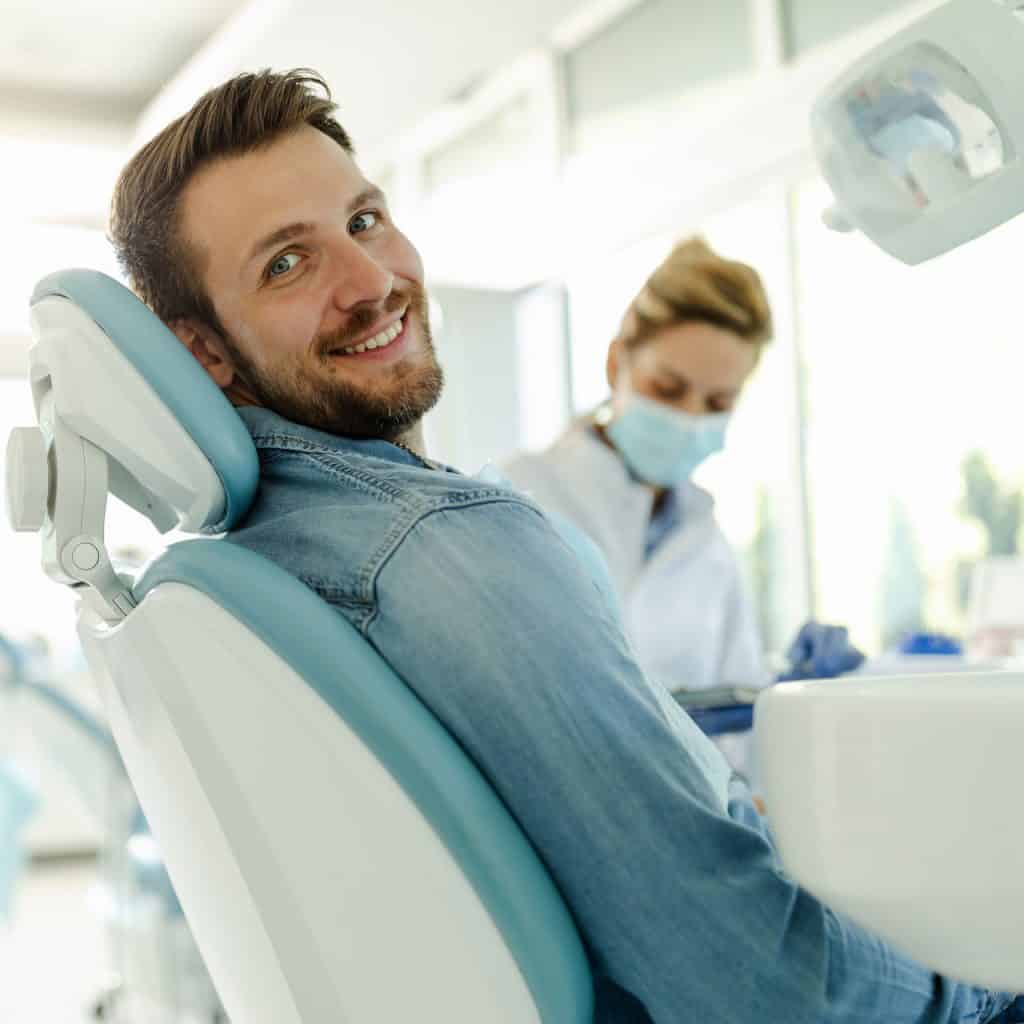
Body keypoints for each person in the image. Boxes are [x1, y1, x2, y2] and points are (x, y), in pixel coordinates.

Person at [107, 69, 1023, 1022]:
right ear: (205, 351)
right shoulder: (442, 544)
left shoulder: (275, 558)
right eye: (286, 264)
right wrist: (985, 1002)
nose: (372, 283)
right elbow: (754, 978)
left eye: (365, 221)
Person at [502, 240, 861, 773]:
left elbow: (740, 755)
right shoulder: (520, 496)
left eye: (718, 404)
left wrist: (789, 701)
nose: (690, 418)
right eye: (668, 389)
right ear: (614, 363)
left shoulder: (709, 545)